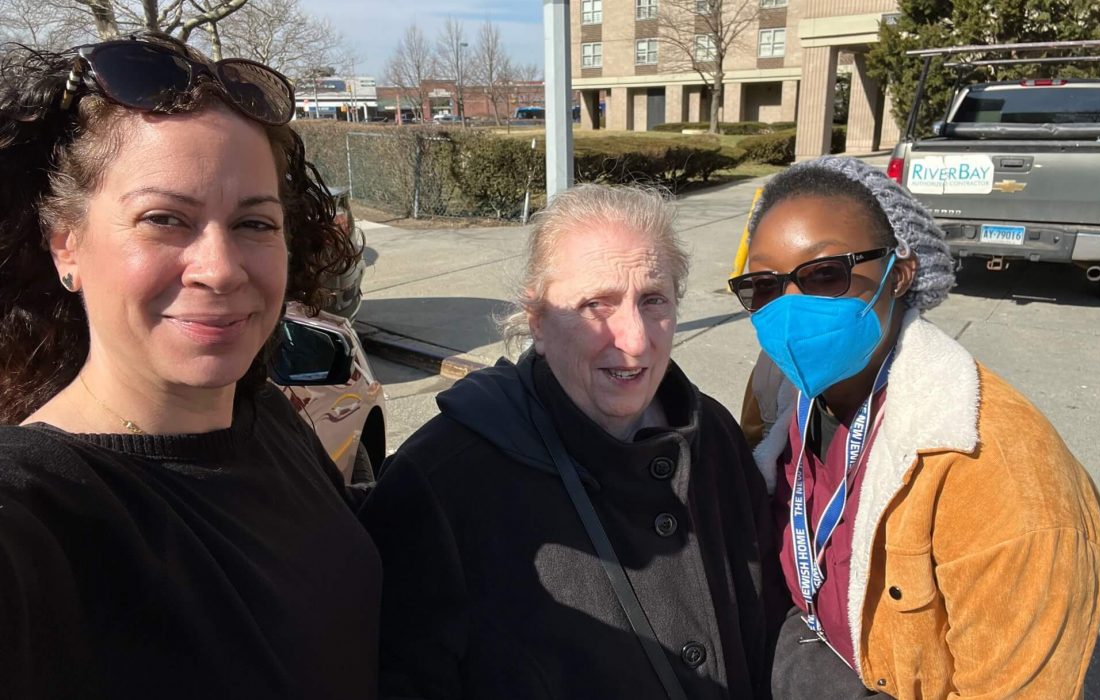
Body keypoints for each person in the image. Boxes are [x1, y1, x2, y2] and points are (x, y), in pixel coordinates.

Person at [0, 35, 381, 698]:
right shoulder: (43, 510)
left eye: (254, 224)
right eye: (165, 219)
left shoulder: (265, 418)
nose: (221, 268)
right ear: (65, 242)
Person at [358, 184, 786, 699]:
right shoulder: (442, 481)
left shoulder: (713, 435)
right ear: (537, 321)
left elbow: (768, 621)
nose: (633, 340)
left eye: (653, 300)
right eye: (595, 305)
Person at [729, 156, 1100, 699]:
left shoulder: (994, 471)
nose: (789, 310)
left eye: (824, 275)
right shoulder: (779, 388)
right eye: (764, 285)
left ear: (900, 272)